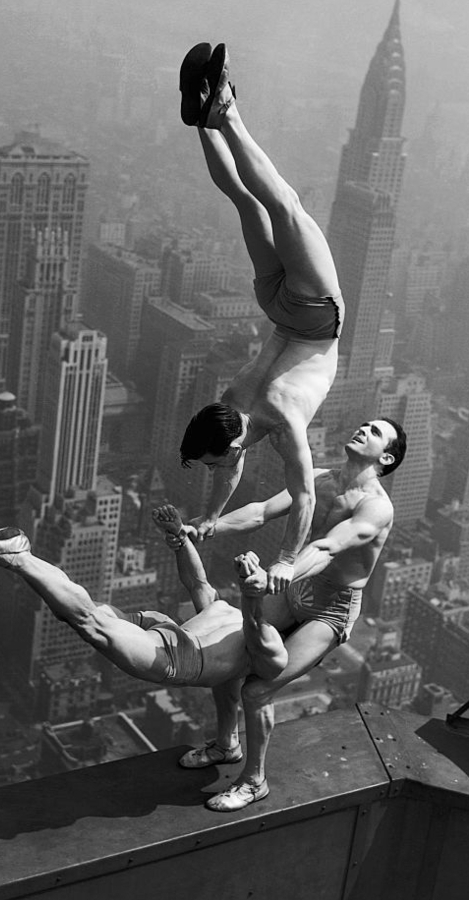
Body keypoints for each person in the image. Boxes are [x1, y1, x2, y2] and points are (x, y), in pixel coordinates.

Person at [173, 417, 407, 811]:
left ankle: (254, 781)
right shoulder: (319, 477)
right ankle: (226, 745)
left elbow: (328, 548)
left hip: (330, 609)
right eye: (365, 424)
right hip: (292, 587)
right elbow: (263, 511)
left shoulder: (377, 508)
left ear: (385, 457)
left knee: (259, 687)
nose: (363, 429)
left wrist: (278, 572)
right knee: (231, 661)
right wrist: (211, 526)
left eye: (376, 432)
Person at [178, 42, 343, 592]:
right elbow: (231, 470)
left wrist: (287, 560)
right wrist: (208, 518)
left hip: (312, 314)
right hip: (275, 304)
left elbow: (304, 496)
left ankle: (223, 109)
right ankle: (205, 121)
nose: (214, 468)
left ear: (225, 442)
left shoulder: (277, 418)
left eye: (209, 461)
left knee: (284, 206)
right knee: (253, 205)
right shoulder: (228, 406)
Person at [0, 506, 288, 700]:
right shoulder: (259, 635)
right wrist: (180, 538)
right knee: (89, 622)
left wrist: (248, 587)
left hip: (168, 632)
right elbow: (198, 582)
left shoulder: (263, 640)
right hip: (177, 656)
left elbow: (205, 588)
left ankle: (18, 554)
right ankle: (19, 558)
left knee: (87, 611)